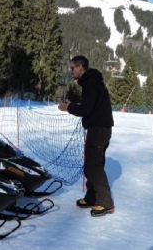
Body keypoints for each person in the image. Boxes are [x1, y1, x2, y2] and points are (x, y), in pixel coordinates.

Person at [58, 56, 114, 217]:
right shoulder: (92, 83)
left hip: (99, 129)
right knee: (91, 164)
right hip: (99, 129)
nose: (71, 71)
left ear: (80, 67)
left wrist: (69, 108)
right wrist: (73, 103)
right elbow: (90, 104)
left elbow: (86, 110)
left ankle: (105, 203)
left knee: (94, 166)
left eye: (72, 68)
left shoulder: (92, 84)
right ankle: (92, 197)